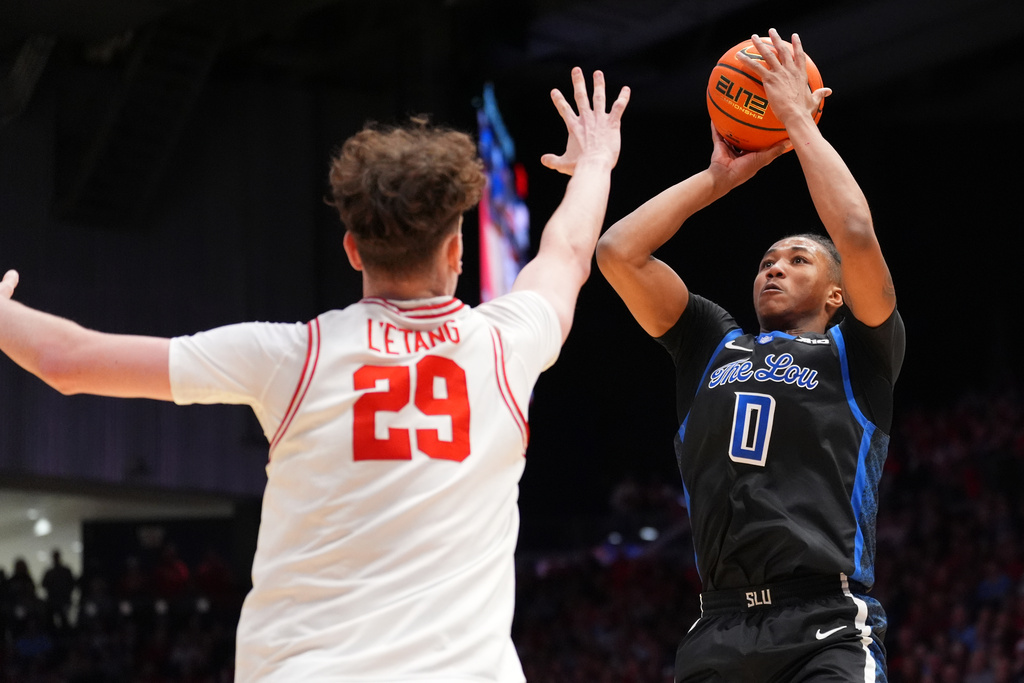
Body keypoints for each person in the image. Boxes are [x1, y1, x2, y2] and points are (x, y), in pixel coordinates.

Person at [0, 67, 629, 682]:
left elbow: (68, 361)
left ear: (352, 249)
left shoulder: (291, 356)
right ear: (458, 251)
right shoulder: (505, 345)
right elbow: (567, 253)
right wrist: (596, 162)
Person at [596, 30, 904, 682]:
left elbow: (852, 231)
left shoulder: (860, 350)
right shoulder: (712, 343)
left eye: (798, 260)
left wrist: (796, 119)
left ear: (838, 292)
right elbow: (618, 251)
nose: (774, 267)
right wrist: (717, 177)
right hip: (718, 627)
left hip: (825, 623)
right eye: (767, 260)